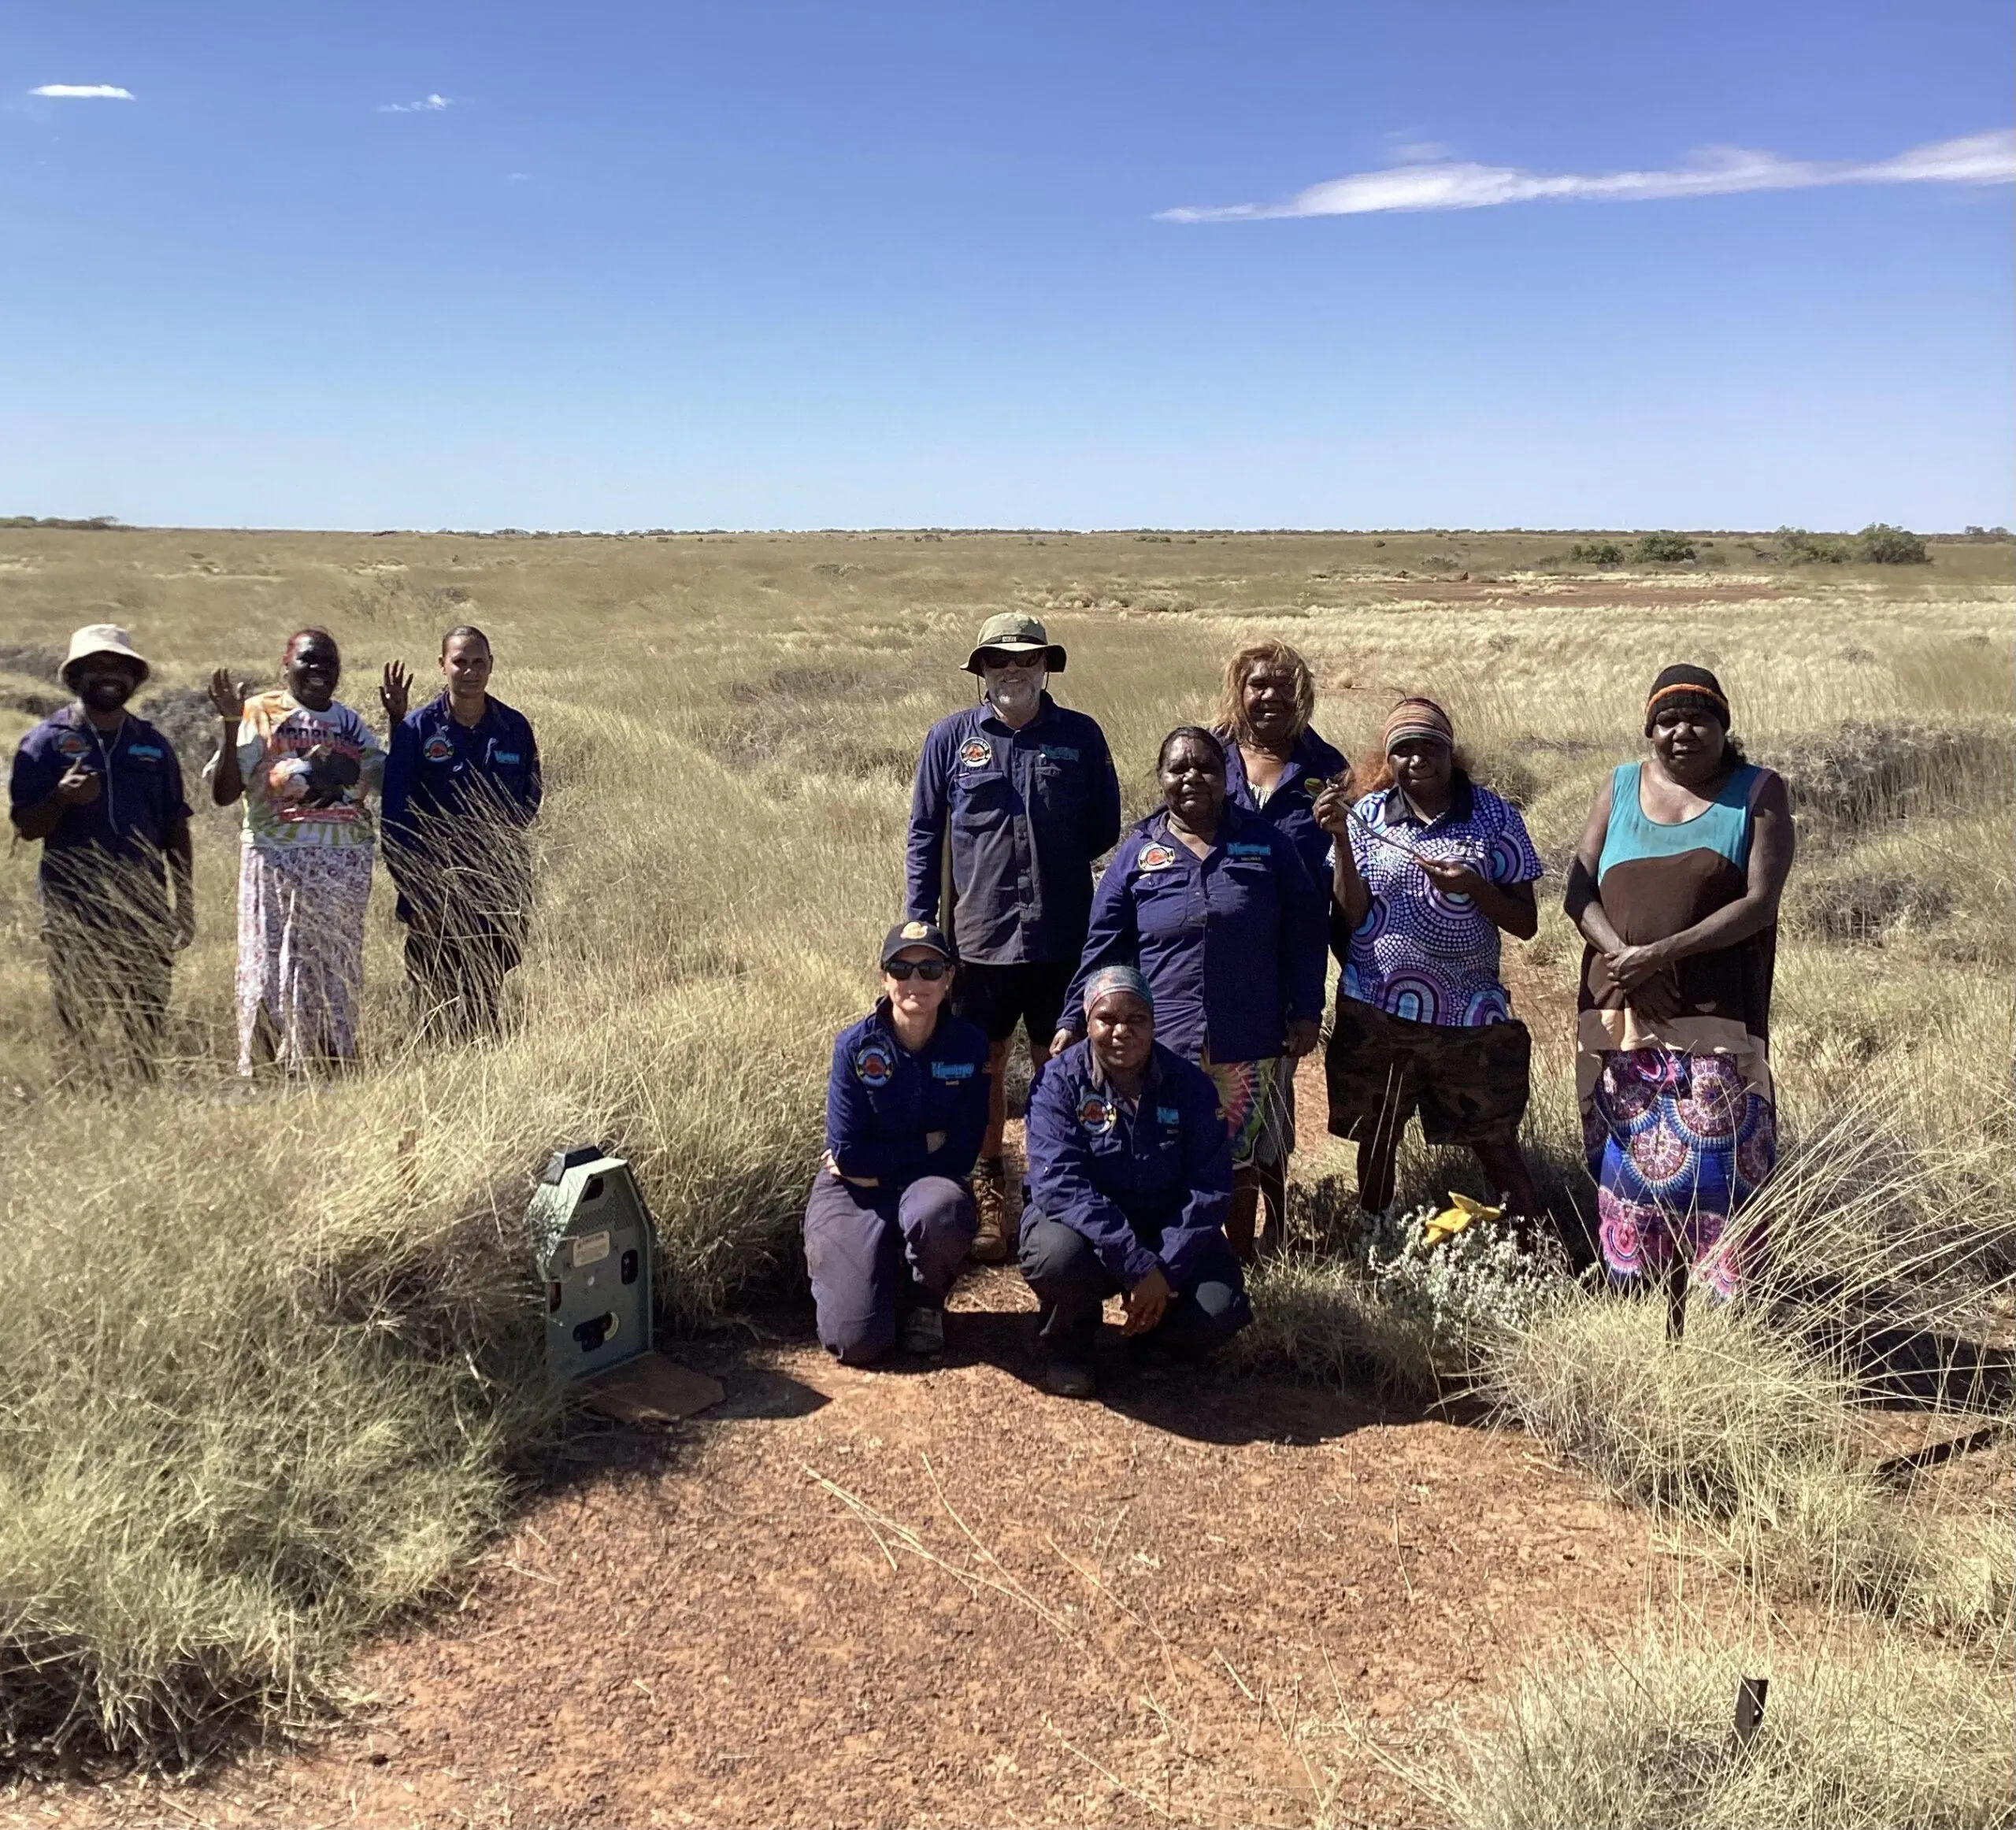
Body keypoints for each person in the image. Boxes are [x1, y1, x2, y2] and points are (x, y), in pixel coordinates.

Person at [1564, 665, 1792, 1299]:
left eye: (1699, 718)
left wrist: (1660, 953)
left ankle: (1722, 1324)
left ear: (1724, 726)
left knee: (1719, 1176)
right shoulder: (1618, 787)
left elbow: (1759, 903)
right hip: (1619, 1015)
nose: (1682, 731)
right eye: (1668, 719)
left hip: (1712, 1021)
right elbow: (1578, 891)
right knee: (1627, 1176)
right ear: (1649, 730)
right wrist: (1627, 963)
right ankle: (1640, 1314)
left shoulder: (1758, 792)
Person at [1057, 727, 1327, 1260]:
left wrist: (1307, 1008)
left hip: (1248, 1029)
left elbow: (1304, 929)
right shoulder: (1138, 852)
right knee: (1168, 1148)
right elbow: (1104, 948)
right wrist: (1073, 1017)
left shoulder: (1266, 843)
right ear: (1160, 780)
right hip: (1163, 1038)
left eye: (1205, 767)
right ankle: (1175, 1260)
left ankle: (1241, 1257)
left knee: (1244, 1153)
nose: (1192, 778)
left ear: (1227, 778)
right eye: (1178, 768)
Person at [906, 612, 1122, 1263]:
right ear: (982, 671)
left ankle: (1061, 1187)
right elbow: (924, 835)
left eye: (1027, 660)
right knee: (986, 1068)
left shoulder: (1080, 736)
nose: (1015, 671)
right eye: (1001, 661)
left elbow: (1102, 827)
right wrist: (923, 929)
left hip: (1062, 935)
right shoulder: (950, 739)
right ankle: (993, 1185)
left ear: (1046, 667)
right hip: (979, 940)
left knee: (1062, 1064)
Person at [1313, 697, 1546, 1225]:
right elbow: (1351, 914)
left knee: (1492, 1136)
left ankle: (1536, 1243)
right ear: (1388, 760)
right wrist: (1341, 842)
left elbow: (1525, 923)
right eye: (1404, 750)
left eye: (1430, 747)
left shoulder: (1492, 815)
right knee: (1378, 1134)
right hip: (1378, 1006)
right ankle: (1378, 1238)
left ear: (1450, 752)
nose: (1418, 759)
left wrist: (1474, 888)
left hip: (1469, 1013)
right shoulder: (1368, 815)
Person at [1021, 965, 1251, 1398]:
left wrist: (1164, 1270)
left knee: (1222, 1307)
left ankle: (1153, 1337)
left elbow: (1210, 1189)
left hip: (1163, 1230)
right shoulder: (1057, 1082)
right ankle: (1071, 1342)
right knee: (1056, 1256)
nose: (1121, 1031)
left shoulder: (1192, 1087)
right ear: (1088, 1021)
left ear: (1153, 1022)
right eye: (1107, 1019)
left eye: (1137, 1019)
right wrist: (1137, 1264)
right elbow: (1060, 1184)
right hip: (1087, 1234)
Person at [206, 628, 410, 1076]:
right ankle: (266, 1067)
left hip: (342, 867)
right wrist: (227, 722)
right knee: (270, 966)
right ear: (286, 664)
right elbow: (223, 794)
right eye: (308, 660)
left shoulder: (350, 724)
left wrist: (398, 720)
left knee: (332, 970)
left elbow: (386, 781)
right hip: (277, 862)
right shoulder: (260, 712)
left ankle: (330, 1064)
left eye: (329, 663)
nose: (319, 671)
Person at [1215, 639, 1353, 1251]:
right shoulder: (1210, 757)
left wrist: (1306, 1005)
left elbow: (1329, 893)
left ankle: (1273, 1224)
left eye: (1282, 684)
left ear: (1303, 692)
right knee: (1204, 1095)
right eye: (1257, 683)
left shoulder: (1326, 766)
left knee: (1270, 1099)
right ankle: (1201, 1225)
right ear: (1238, 691)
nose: (1269, 695)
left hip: (1284, 962)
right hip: (1209, 958)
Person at [8, 624, 194, 1072]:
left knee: (147, 1020)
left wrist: (184, 902)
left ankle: (146, 1100)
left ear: (134, 679)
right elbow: (26, 827)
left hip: (143, 903)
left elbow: (175, 827)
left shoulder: (152, 744)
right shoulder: (45, 743)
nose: (109, 677)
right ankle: (83, 1098)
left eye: (120, 668)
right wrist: (60, 798)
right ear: (75, 678)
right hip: (75, 906)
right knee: (79, 1020)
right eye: (96, 668)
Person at [804, 921, 991, 1364]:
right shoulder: (854, 1046)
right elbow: (846, 1155)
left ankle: (926, 1300)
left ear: (949, 978)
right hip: (852, 1191)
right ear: (884, 977)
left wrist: (879, 1172)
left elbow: (962, 1152)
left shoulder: (970, 1046)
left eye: (930, 969)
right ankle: (874, 1271)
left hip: (921, 1186)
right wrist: (923, 1147)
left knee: (940, 1209)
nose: (915, 982)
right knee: (857, 1342)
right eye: (901, 969)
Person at [380, 625, 543, 1039]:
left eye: (478, 663)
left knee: (486, 991)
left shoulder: (515, 727)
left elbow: (530, 798)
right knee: (436, 996)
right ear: (442, 666)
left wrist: (496, 855)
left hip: (497, 887)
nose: (469, 672)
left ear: (491, 667)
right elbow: (396, 821)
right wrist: (419, 893)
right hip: (435, 890)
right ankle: (438, 1072)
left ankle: (485, 1068)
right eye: (459, 662)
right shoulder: (417, 731)